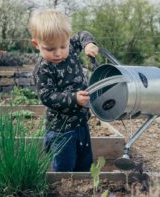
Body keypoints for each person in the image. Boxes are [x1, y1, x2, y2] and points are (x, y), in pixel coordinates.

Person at [29, 8, 98, 172]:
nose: (58, 53)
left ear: (67, 39)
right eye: (50, 49)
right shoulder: (43, 69)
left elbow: (82, 34)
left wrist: (88, 44)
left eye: (63, 46)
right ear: (36, 44)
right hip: (61, 130)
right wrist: (74, 99)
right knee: (64, 166)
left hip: (82, 123)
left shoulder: (72, 47)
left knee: (85, 162)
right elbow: (47, 96)